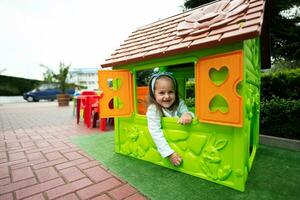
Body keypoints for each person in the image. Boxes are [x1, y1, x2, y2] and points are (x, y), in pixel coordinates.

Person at [146, 72, 194, 166]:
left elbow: (186, 111)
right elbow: (155, 132)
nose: (167, 96)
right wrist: (169, 153)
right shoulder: (153, 109)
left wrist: (187, 114)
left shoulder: (179, 102)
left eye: (171, 92)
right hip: (166, 147)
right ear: (153, 94)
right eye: (161, 93)